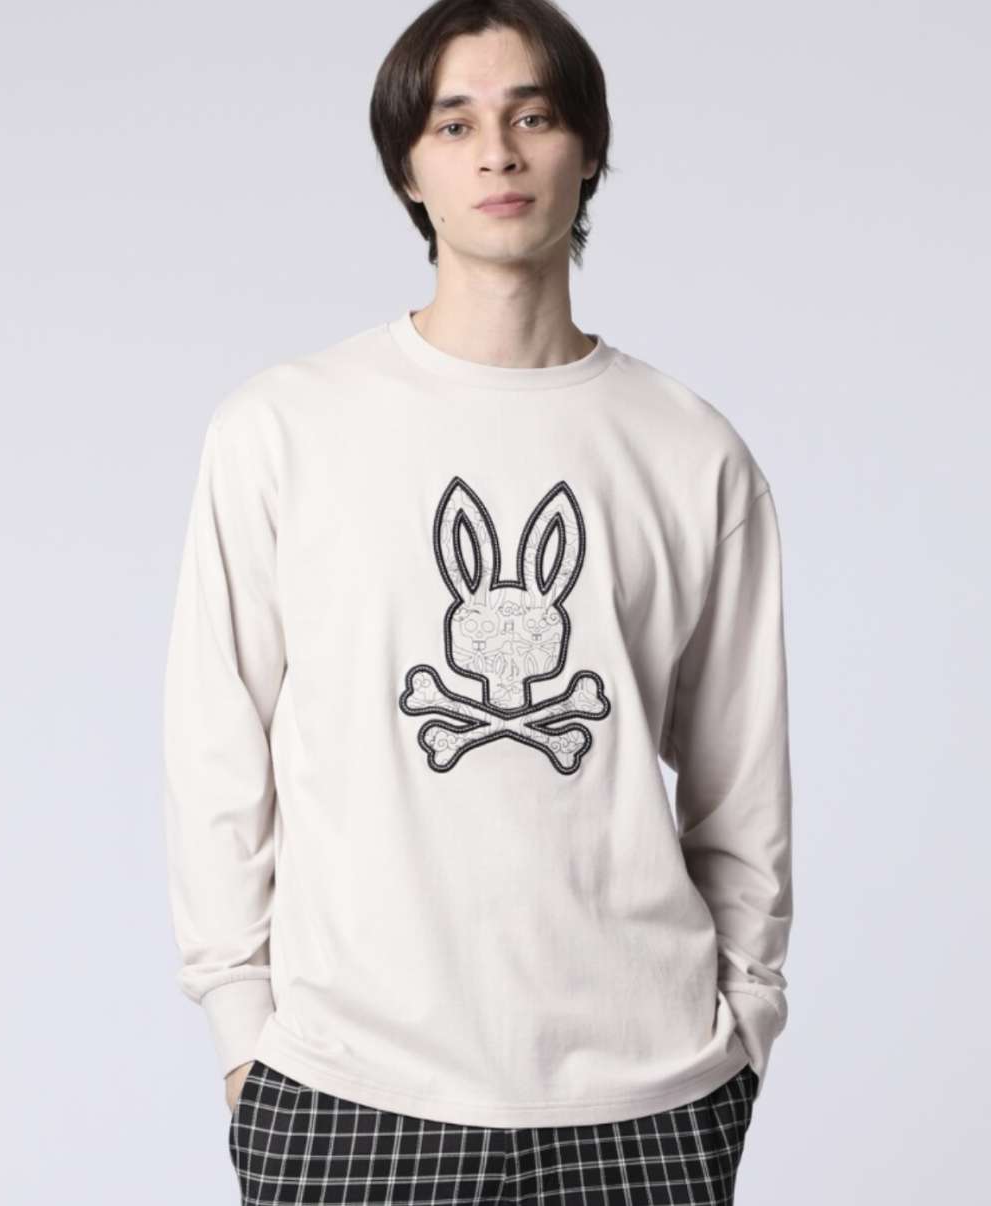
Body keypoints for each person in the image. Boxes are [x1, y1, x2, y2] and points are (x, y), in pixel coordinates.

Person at [161, 1, 794, 1202]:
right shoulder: (283, 430)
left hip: (647, 1101)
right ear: (409, 169)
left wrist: (743, 1030)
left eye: (532, 117)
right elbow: (216, 749)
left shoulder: (691, 452)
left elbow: (742, 786)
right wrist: (243, 1035)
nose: (496, 154)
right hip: (345, 1091)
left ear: (587, 149)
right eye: (453, 125)